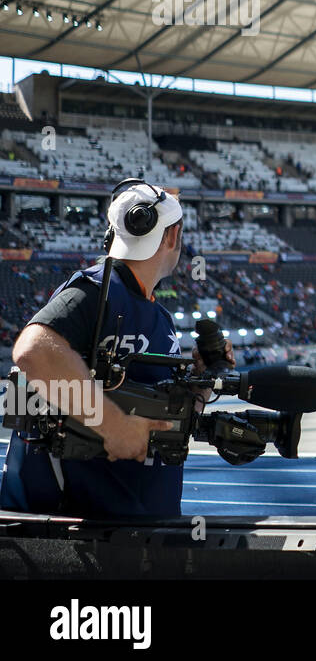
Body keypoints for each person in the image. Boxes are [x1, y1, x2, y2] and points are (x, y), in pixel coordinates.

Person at [0, 180, 232, 517]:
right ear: (172, 236)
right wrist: (113, 425)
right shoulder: (95, 290)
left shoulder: (156, 315)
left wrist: (198, 383)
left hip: (131, 523)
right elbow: (33, 352)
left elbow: (154, 414)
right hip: (74, 534)